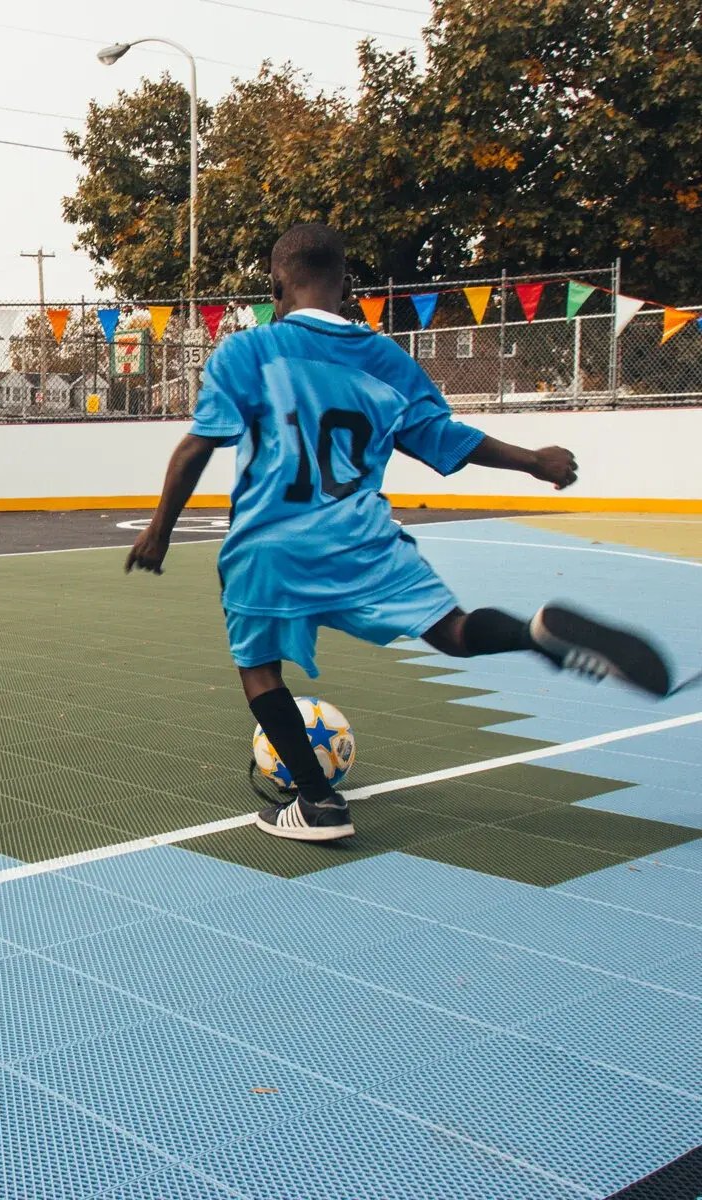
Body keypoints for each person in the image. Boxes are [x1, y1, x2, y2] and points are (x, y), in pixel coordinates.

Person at [127, 223, 674, 843]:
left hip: (269, 544)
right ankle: (533, 632)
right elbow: (450, 441)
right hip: (361, 538)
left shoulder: (248, 353)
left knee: (260, 669)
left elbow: (199, 444)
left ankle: (318, 803)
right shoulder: (388, 360)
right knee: (455, 632)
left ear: (276, 284)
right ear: (346, 286)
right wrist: (534, 460)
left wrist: (159, 532)